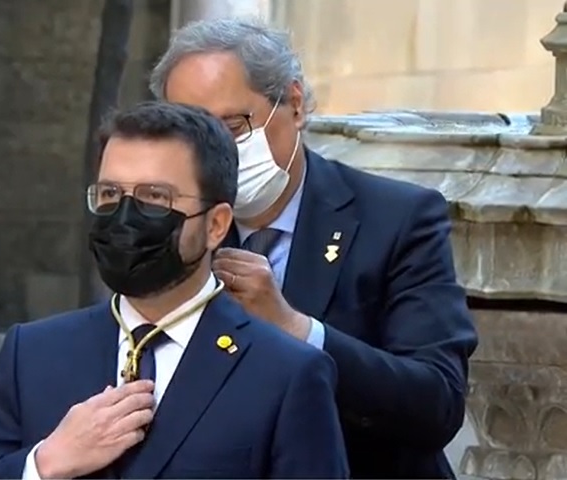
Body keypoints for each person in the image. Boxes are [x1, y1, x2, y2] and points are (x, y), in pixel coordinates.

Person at [0, 102, 349, 479]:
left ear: (216, 225)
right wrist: (44, 463)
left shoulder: (286, 374)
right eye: (110, 194)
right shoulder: (31, 353)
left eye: (155, 197)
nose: (124, 217)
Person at [148, 18, 479, 479]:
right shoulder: (172, 227)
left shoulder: (398, 219)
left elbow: (436, 402)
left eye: (232, 125)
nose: (216, 153)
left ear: (296, 105)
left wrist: (297, 329)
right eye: (195, 134)